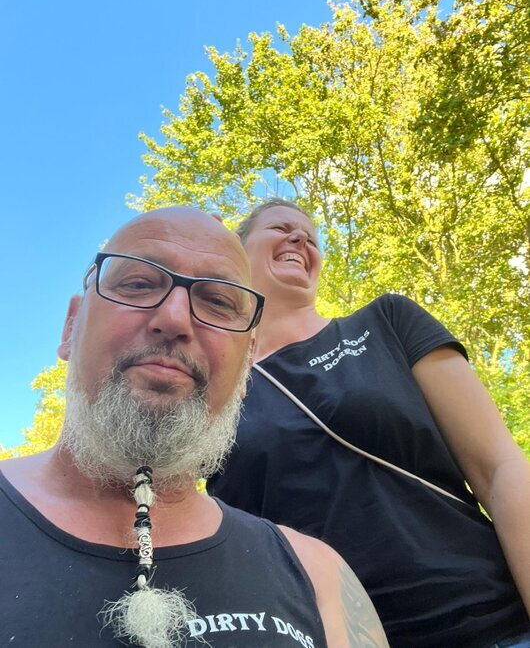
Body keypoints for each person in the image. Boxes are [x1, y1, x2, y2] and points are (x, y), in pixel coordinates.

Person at [0, 206, 389, 648]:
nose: (174, 319)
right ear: (71, 326)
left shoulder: (318, 576)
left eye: (218, 302)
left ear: (247, 362)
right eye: (138, 283)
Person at [208, 198, 530, 648]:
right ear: (237, 249)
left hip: (495, 625)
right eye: (280, 228)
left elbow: (499, 469)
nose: (300, 238)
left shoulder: (387, 321)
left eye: (311, 237)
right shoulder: (210, 386)